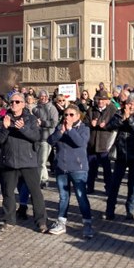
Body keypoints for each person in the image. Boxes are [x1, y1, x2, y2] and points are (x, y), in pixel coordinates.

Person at [0, 92, 47, 233]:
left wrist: (22, 128)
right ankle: (9, 220)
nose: (14, 104)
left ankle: (41, 221)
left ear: (23, 104)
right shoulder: (3, 119)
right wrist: (5, 128)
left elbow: (37, 136)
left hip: (28, 161)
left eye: (17, 102)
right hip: (9, 162)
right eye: (12, 102)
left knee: (36, 193)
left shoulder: (30, 119)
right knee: (8, 193)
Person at [47, 104, 94, 238]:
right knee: (63, 197)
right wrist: (60, 132)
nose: (68, 117)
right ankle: (61, 222)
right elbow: (50, 140)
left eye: (71, 115)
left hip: (78, 168)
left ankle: (87, 224)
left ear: (78, 116)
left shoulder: (84, 128)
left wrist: (70, 130)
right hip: (62, 167)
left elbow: (80, 143)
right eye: (66, 114)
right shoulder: (60, 126)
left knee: (81, 196)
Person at [104, 94, 134, 221]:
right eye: (131, 104)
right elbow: (109, 126)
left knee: (133, 184)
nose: (132, 107)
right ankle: (110, 210)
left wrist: (129, 119)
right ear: (126, 103)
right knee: (115, 184)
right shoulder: (119, 114)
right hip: (121, 154)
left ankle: (130, 210)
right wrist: (123, 118)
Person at [85, 90, 117, 194]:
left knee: (107, 169)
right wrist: (90, 123)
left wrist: (106, 125)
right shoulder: (91, 110)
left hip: (105, 144)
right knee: (91, 169)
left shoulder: (112, 110)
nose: (100, 102)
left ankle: (109, 188)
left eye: (103, 99)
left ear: (107, 101)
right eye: (98, 99)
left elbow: (115, 124)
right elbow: (84, 123)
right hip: (92, 144)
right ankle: (90, 187)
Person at [32, 90, 58, 188]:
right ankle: (44, 179)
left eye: (44, 96)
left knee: (41, 162)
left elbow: (54, 123)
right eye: (41, 96)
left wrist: (42, 123)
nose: (43, 98)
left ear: (47, 97)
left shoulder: (52, 109)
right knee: (39, 162)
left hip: (47, 138)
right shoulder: (35, 109)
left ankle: (38, 182)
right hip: (37, 137)